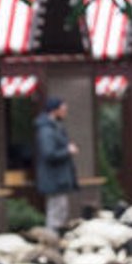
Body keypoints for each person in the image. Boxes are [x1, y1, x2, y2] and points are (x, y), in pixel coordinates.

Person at [33, 97, 79, 230]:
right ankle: (52, 242)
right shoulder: (46, 130)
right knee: (55, 214)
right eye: (63, 109)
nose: (66, 112)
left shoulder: (54, 127)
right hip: (54, 179)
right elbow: (48, 154)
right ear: (54, 110)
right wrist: (68, 150)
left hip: (59, 179)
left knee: (61, 211)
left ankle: (55, 241)